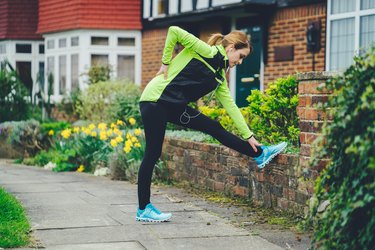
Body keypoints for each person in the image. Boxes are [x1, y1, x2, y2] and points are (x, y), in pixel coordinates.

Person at [136, 26, 287, 222]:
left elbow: (231, 107)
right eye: (240, 56)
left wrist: (249, 135)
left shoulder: (218, 77)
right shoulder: (206, 51)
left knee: (214, 127)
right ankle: (143, 209)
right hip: (155, 100)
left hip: (173, 106)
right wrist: (165, 63)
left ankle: (259, 154)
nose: (239, 62)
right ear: (231, 48)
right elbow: (173, 31)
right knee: (153, 153)